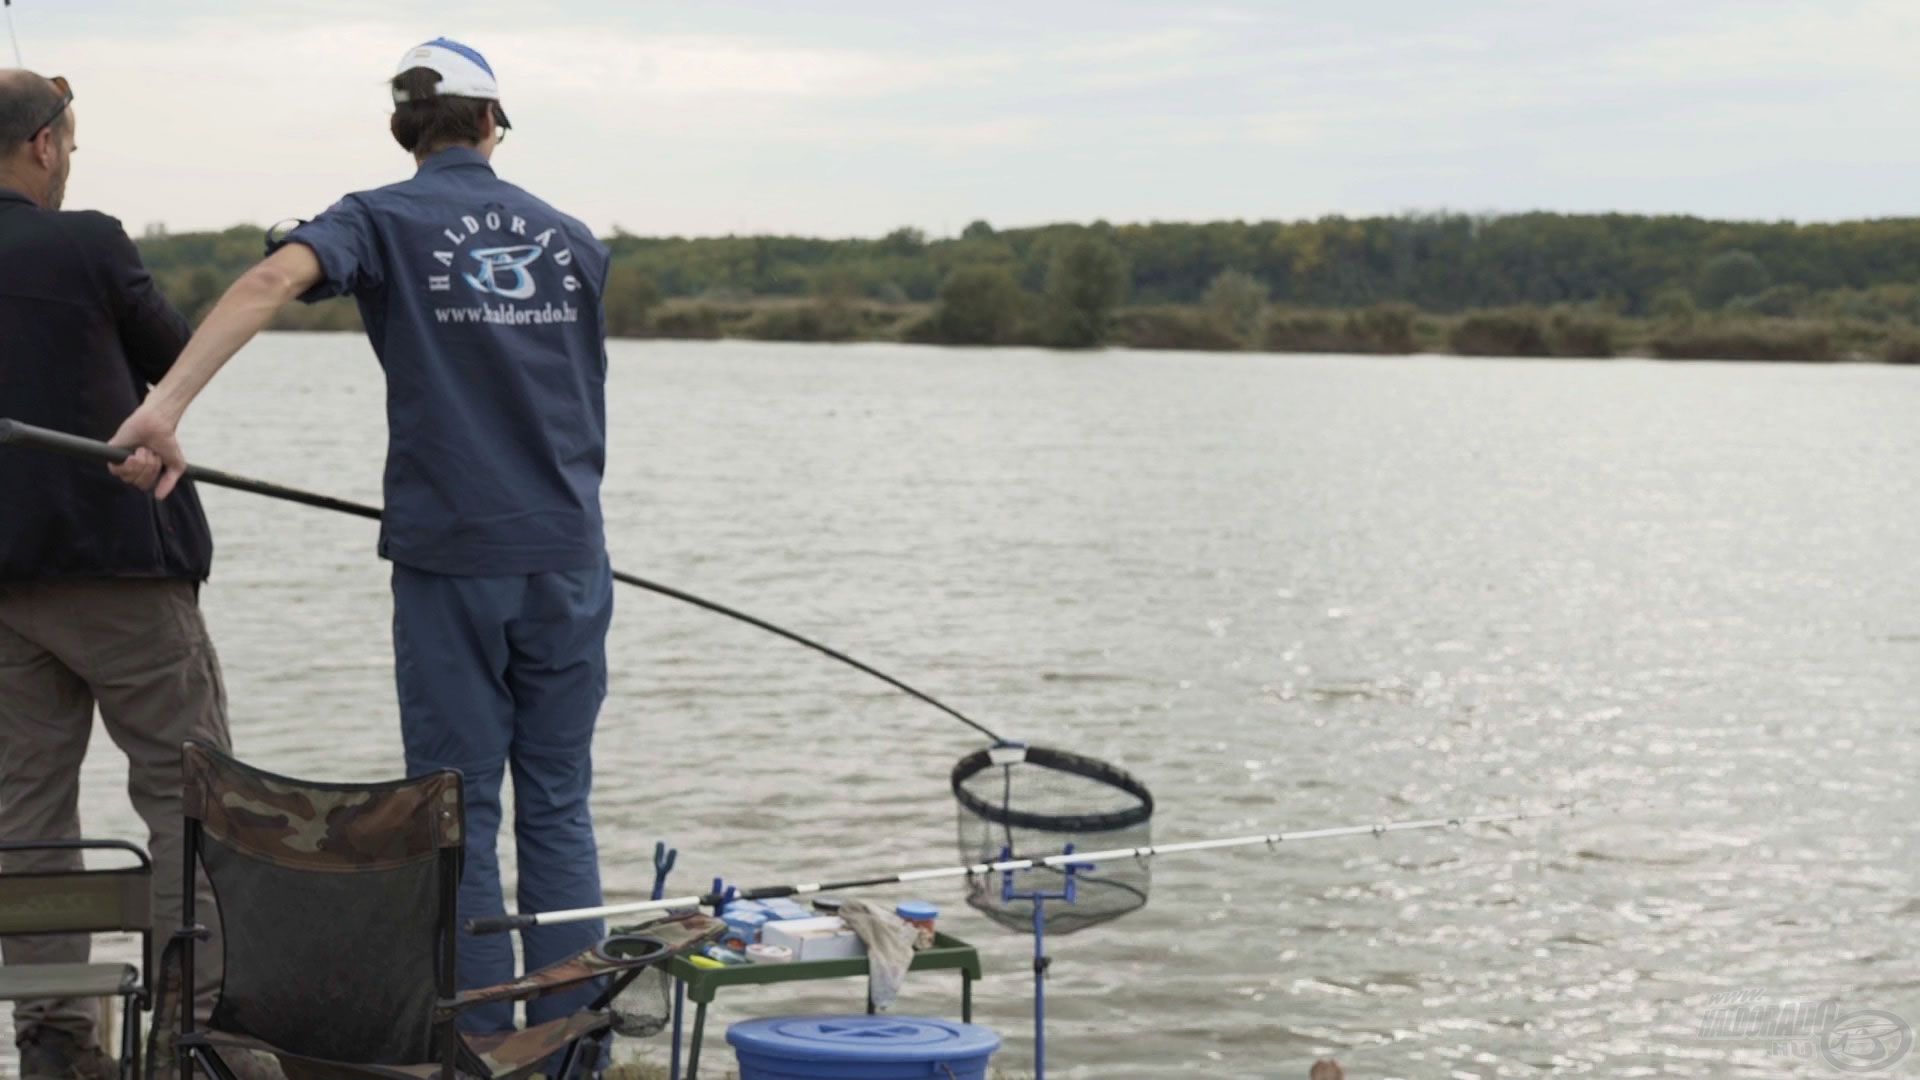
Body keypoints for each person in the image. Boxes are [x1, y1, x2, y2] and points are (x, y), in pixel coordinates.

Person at [107, 38, 616, 1047]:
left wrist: (161, 407)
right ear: (488, 123)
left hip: (451, 562)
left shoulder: (377, 215)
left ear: (402, 130)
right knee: (559, 802)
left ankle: (478, 1052)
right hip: (569, 555)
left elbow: (266, 284)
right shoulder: (573, 240)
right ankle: (571, 1050)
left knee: (458, 812)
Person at [0, 70, 230, 1080]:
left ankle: (54, 1035)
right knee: (190, 795)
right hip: (122, 568)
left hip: (3, 590)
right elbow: (172, 358)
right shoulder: (85, 238)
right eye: (73, 143)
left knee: (24, 809)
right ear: (44, 145)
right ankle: (198, 1025)